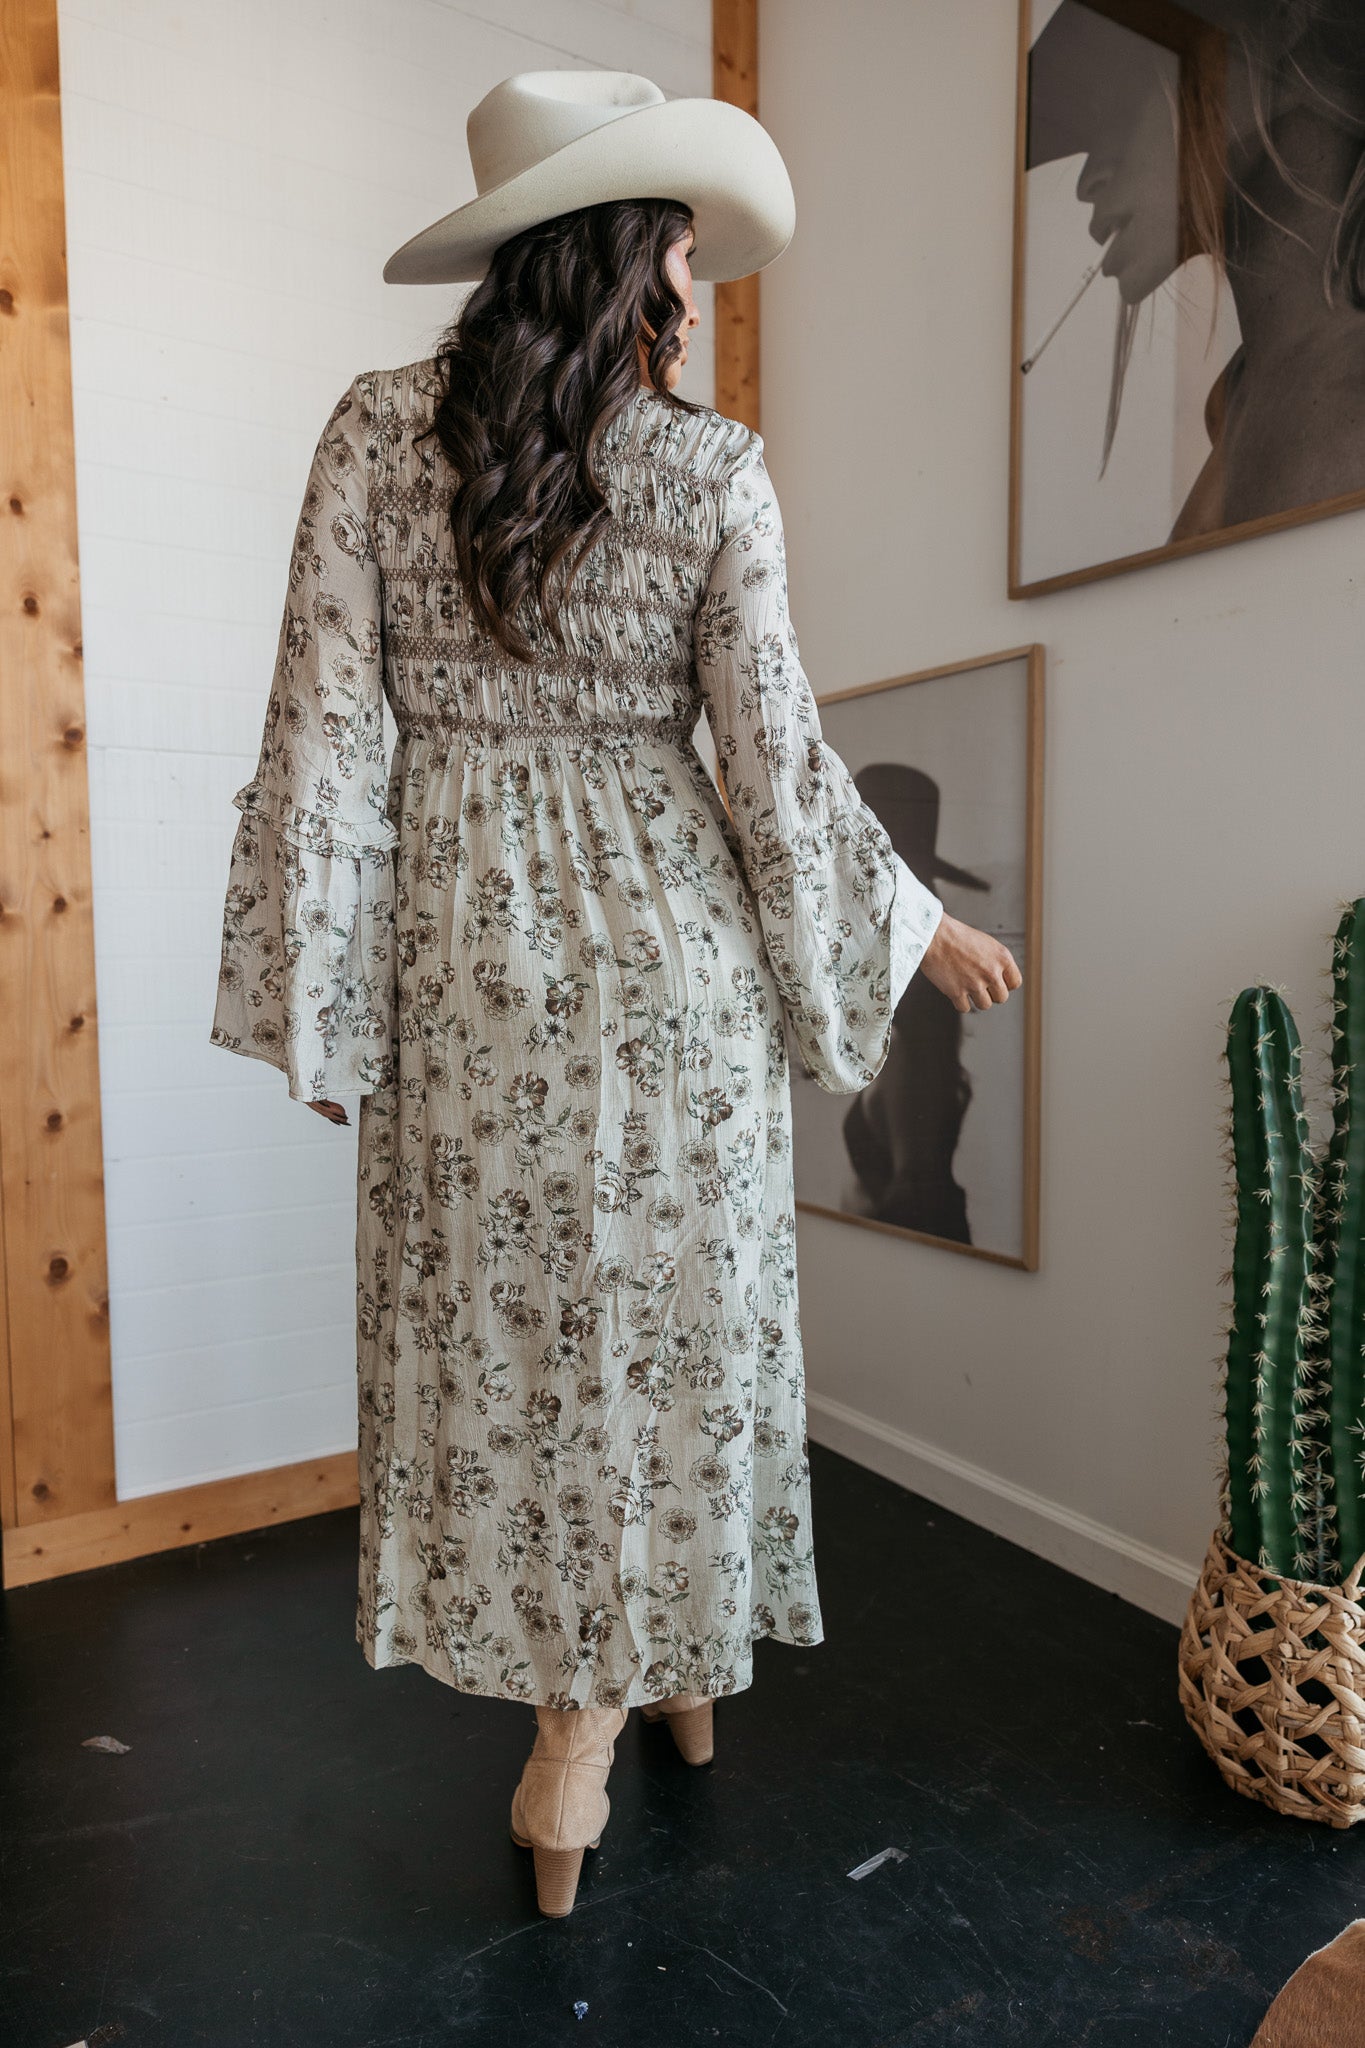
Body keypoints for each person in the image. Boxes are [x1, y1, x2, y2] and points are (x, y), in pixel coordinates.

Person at [209, 67, 1020, 1919]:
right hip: (673, 972)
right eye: (681, 248)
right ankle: (609, 1716)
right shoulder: (711, 466)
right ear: (633, 252)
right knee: (668, 1336)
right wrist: (911, 928)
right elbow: (769, 753)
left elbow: (324, 729)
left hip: (464, 964)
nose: (694, 284)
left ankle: (613, 1706)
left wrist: (323, 995)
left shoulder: (372, 432)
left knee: (507, 1347)